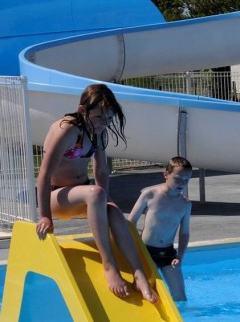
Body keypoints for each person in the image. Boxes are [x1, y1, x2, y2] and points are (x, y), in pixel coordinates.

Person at [36, 83, 158, 303]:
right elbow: (44, 174)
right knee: (95, 193)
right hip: (57, 197)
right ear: (82, 110)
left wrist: (106, 204)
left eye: (109, 118)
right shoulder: (67, 129)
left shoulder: (97, 131)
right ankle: (109, 265)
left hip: (83, 194)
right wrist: (44, 215)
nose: (105, 122)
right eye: (100, 117)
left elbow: (101, 170)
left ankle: (139, 274)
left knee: (114, 213)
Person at [128, 157, 193, 301]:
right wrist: (134, 248)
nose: (182, 183)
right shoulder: (150, 194)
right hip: (146, 251)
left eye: (186, 180)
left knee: (180, 296)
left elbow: (184, 233)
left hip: (168, 254)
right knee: (145, 292)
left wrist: (180, 256)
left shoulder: (185, 204)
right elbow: (131, 222)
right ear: (166, 175)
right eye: (177, 179)